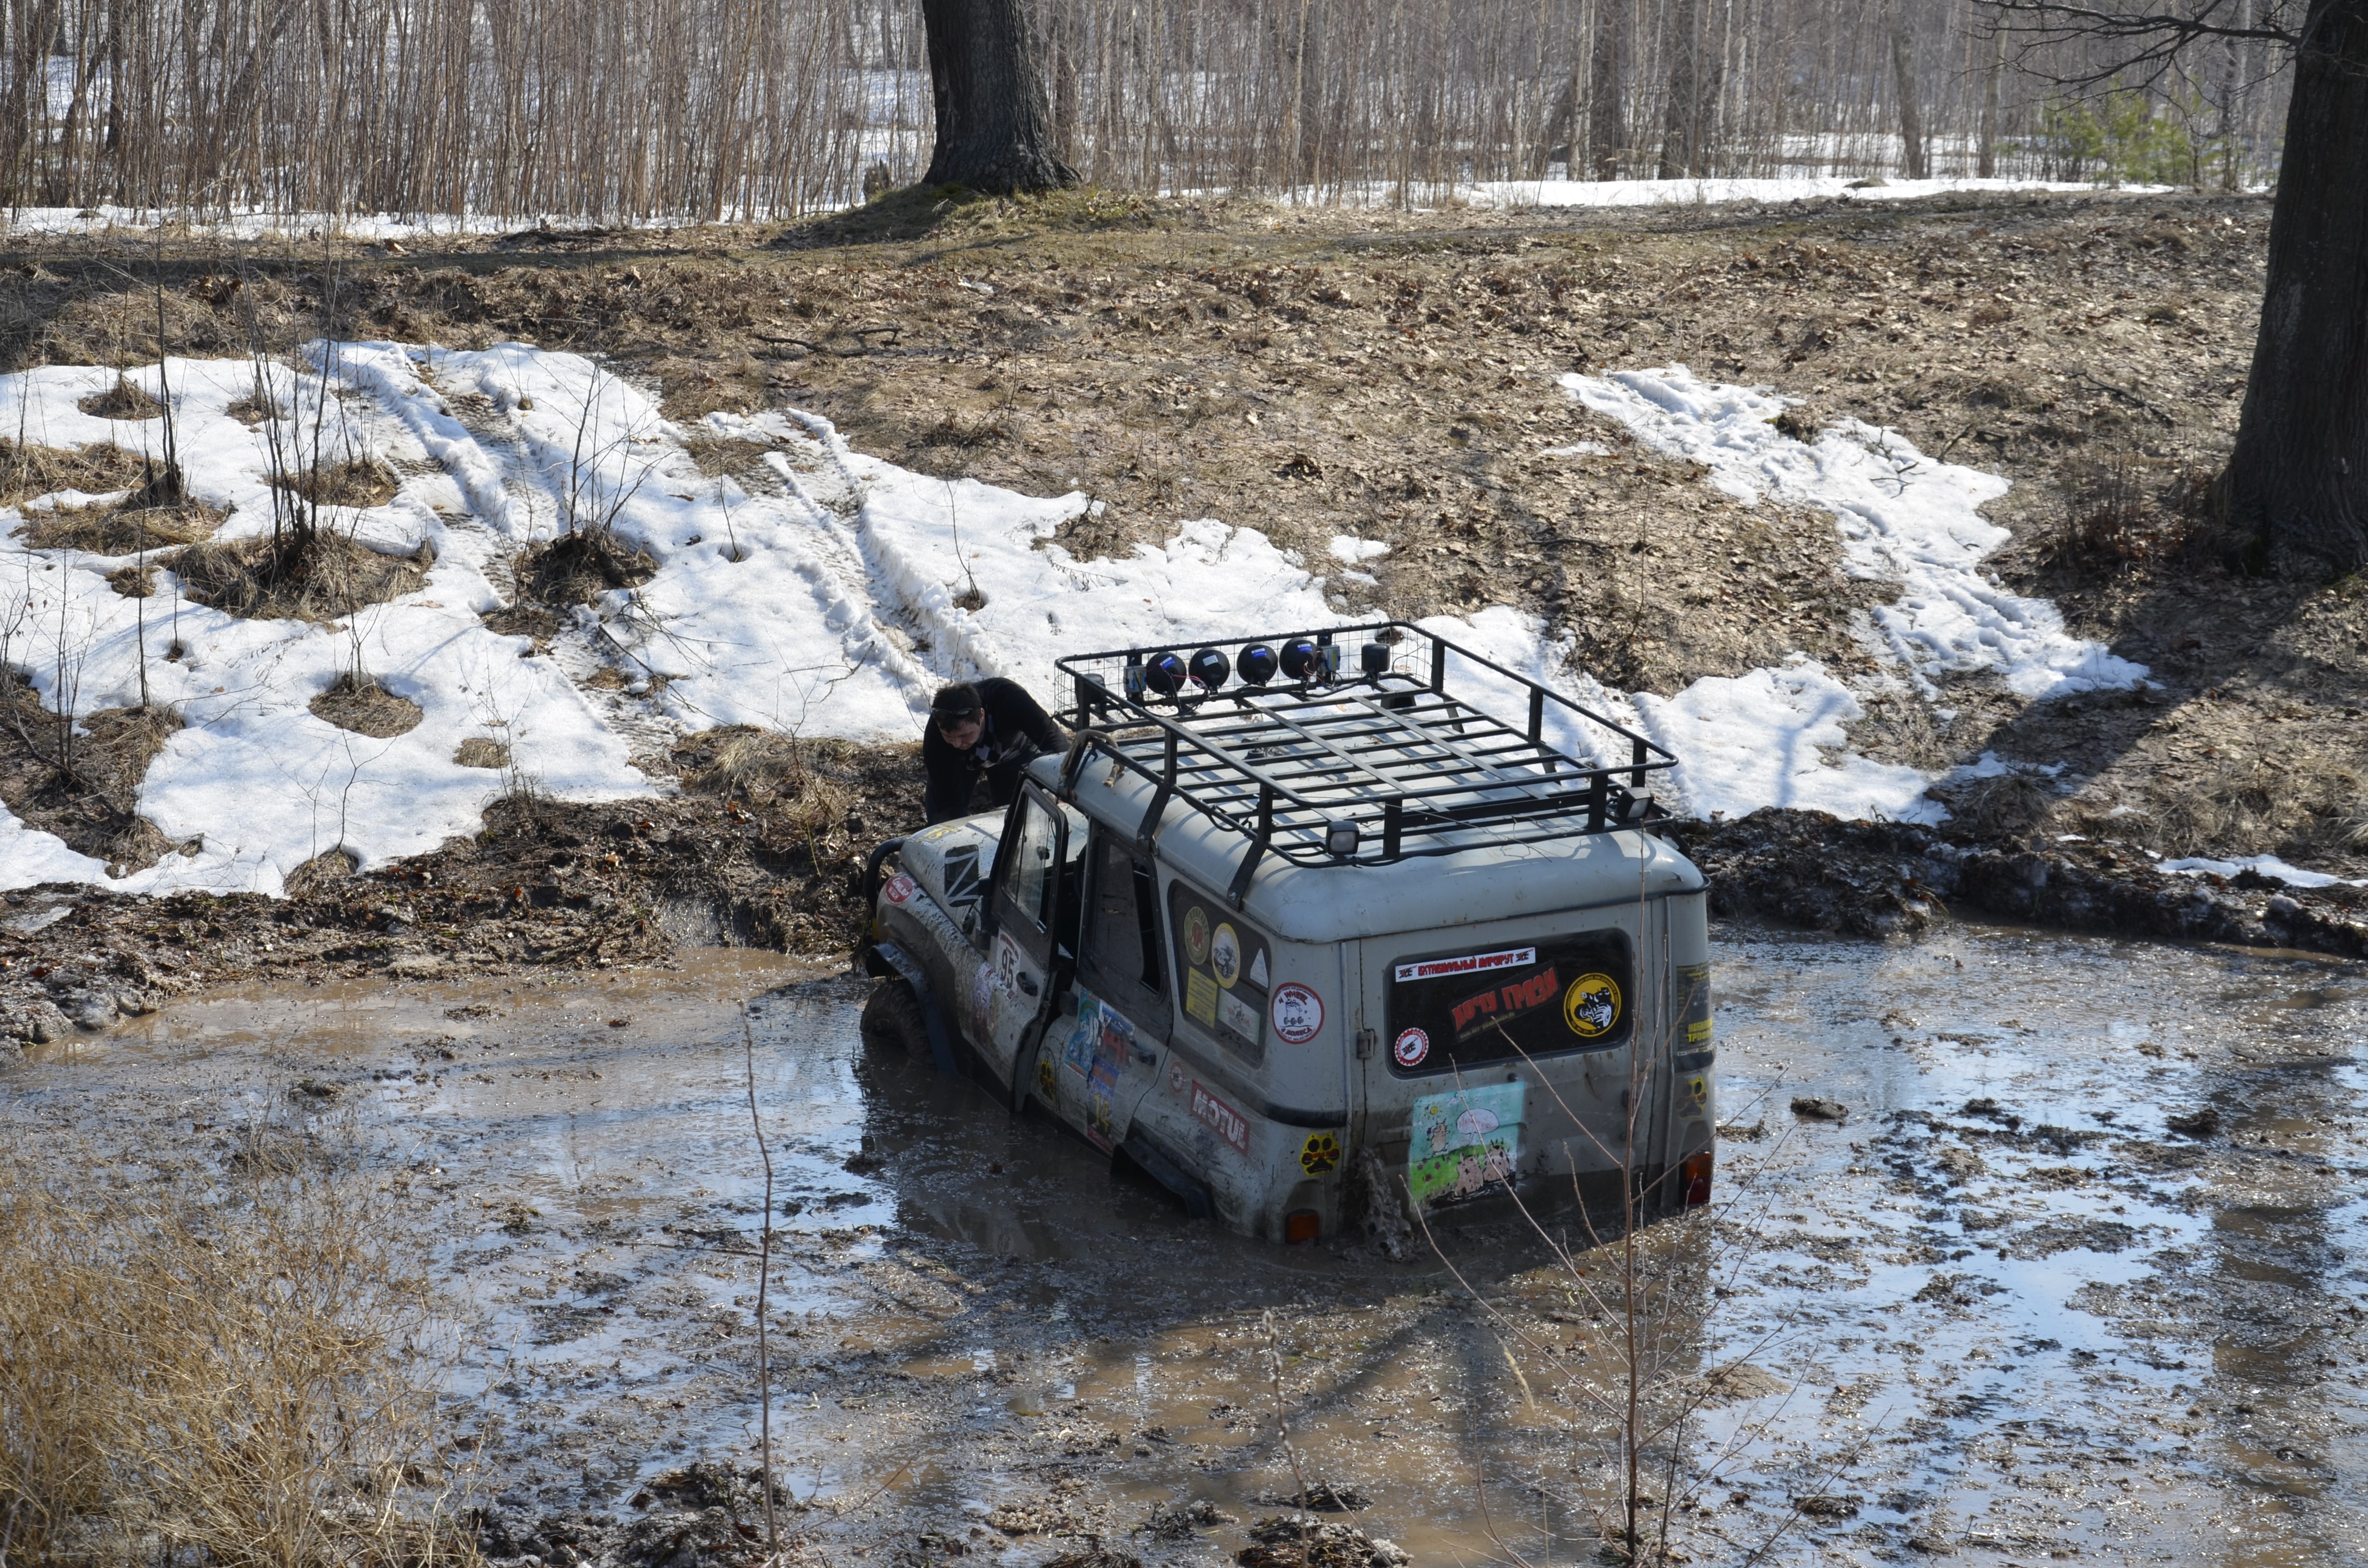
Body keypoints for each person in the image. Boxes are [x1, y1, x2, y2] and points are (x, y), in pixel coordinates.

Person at [922, 678, 1065, 824]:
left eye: (964, 735)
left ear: (981, 715)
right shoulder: (936, 735)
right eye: (948, 736)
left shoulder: (1009, 699)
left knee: (1018, 817)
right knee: (942, 821)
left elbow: (1055, 741)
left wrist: (1065, 786)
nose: (956, 743)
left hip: (1013, 753)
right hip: (961, 762)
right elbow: (948, 801)